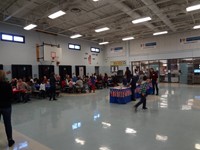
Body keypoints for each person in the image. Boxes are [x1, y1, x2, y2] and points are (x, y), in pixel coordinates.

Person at [0, 70, 15, 147]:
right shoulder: (7, 85)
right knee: (8, 123)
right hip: (6, 106)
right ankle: (10, 140)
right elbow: (11, 96)